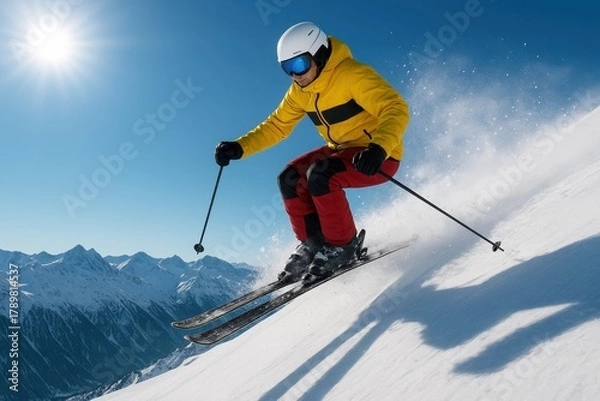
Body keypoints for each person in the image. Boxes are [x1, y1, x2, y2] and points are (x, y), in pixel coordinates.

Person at [215, 21, 410, 282]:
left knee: (321, 174)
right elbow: (277, 126)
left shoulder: (352, 75)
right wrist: (239, 147)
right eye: (287, 68)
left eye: (299, 65)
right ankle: (314, 243)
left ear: (318, 54)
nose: (295, 75)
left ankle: (343, 246)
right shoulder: (300, 92)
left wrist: (379, 147)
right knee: (290, 178)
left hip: (379, 155)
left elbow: (396, 107)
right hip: (340, 150)